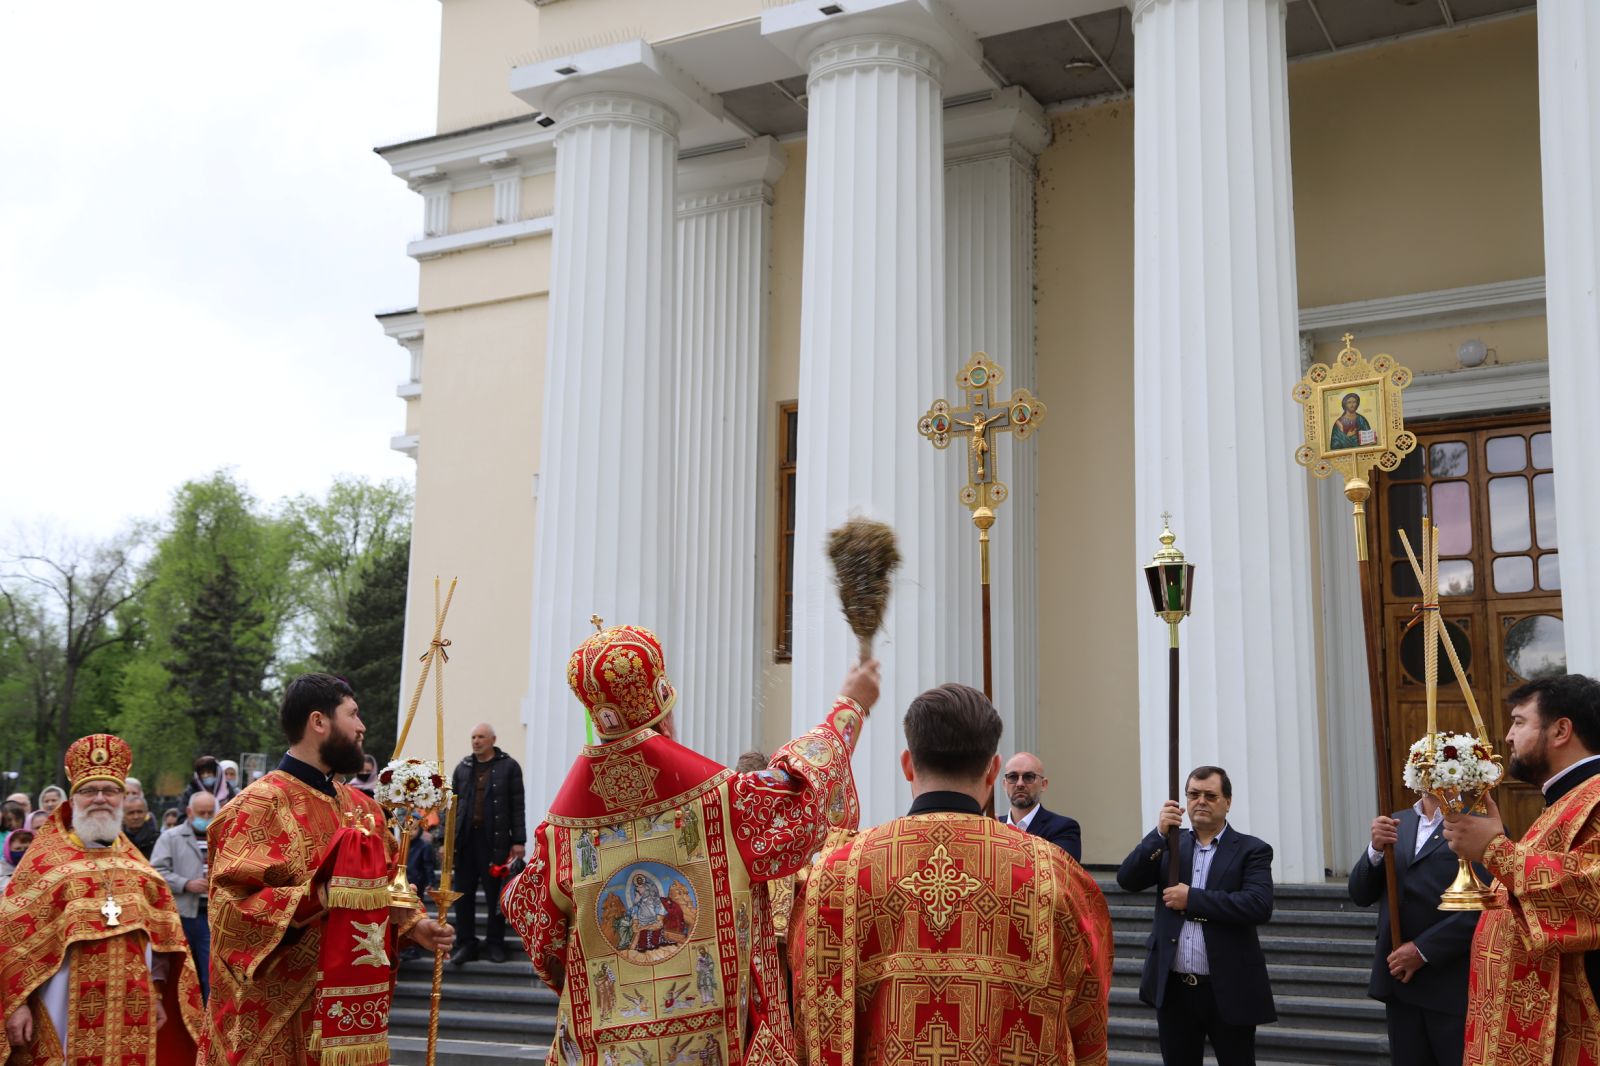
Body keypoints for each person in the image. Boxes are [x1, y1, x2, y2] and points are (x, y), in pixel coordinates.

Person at [501, 622, 879, 1065]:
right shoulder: (724, 803)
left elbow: (532, 921)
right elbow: (803, 790)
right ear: (664, 712)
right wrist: (849, 708)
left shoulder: (559, 836)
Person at [794, 683, 1111, 1065]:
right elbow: (1089, 1021)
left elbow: (810, 1017)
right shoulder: (1056, 874)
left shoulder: (836, 874)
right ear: (993, 770)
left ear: (907, 764)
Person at [202, 673, 454, 1065]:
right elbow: (230, 913)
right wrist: (319, 896)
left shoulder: (365, 809)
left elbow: (388, 881)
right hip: (276, 1016)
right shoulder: (257, 806)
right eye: (353, 714)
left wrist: (413, 924)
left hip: (348, 1020)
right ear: (318, 722)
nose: (362, 726)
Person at [0, 734, 204, 1061]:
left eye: (109, 790)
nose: (100, 798)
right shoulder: (43, 864)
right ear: (73, 799)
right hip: (59, 1008)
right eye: (89, 791)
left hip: (131, 1009)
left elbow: (162, 944)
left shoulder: (141, 871)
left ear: (122, 797)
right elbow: (13, 942)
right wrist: (16, 1005)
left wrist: (155, 994)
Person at [1441, 673, 1600, 1065]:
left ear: (1561, 730)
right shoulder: (1566, 800)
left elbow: (1591, 892)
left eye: (1519, 722)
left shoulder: (1594, 797)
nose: (1509, 737)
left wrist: (1495, 851)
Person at [1117, 766, 1275, 1066]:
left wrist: (1192, 899)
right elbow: (1127, 879)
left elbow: (1258, 905)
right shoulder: (1170, 844)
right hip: (1175, 989)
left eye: (1210, 796)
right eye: (1193, 795)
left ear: (1228, 801)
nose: (1200, 801)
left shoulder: (1252, 849)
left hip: (1228, 987)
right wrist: (1158, 834)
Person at [1348, 793, 1480, 1066]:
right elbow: (1360, 894)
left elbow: (1483, 907)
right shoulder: (1397, 822)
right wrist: (1375, 849)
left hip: (1451, 982)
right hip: (1401, 982)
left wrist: (1422, 950)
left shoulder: (1479, 824)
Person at [449, 722, 526, 965]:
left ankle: (495, 944)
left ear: (493, 739)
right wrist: (445, 841)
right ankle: (466, 944)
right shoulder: (462, 767)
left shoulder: (509, 767)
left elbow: (517, 806)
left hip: (496, 842)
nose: (476, 741)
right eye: (473, 737)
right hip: (465, 841)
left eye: (481, 737)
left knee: (495, 896)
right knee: (463, 895)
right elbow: (453, 807)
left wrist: (519, 841)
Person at [152, 792, 217, 1001]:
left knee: (211, 974)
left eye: (210, 813)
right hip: (183, 915)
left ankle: (208, 1015)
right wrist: (185, 883)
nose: (206, 817)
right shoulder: (171, 837)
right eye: (201, 813)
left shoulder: (222, 835)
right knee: (182, 973)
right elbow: (156, 871)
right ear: (189, 812)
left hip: (213, 916)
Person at [998, 751, 1083, 861]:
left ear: (1043, 784)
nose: (1019, 784)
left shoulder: (1064, 828)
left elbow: (1059, 868)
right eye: (1013, 777)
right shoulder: (993, 826)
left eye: (1029, 777)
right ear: (1004, 784)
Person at [123, 792, 161, 859]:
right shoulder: (115, 842)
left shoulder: (158, 840)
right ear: (122, 815)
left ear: (146, 812)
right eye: (131, 813)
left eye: (139, 812)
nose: (136, 817)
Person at [0, 828, 32, 893]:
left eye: (27, 848)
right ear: (8, 850)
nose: (22, 852)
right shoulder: (1, 870)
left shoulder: (37, 868)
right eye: (17, 849)